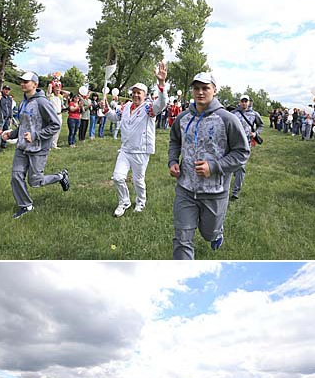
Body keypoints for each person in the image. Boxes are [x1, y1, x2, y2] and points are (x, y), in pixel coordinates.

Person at [168, 72, 250, 260]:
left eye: (205, 88)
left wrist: (214, 167)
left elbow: (242, 153)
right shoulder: (183, 118)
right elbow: (174, 141)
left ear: (214, 90)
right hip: (185, 189)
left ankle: (216, 233)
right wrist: (173, 161)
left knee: (209, 233)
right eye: (196, 88)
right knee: (182, 238)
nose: (200, 92)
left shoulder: (228, 119)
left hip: (215, 192)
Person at [103, 61, 168, 217]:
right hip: (125, 149)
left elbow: (163, 103)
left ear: (145, 95)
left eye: (139, 92)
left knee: (138, 180)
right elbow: (114, 117)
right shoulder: (125, 107)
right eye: (134, 92)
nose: (136, 95)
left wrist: (161, 83)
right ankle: (124, 201)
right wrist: (106, 110)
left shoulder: (149, 108)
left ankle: (141, 202)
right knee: (118, 177)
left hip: (141, 150)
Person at [2, 72, 70, 219]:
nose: (22, 84)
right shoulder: (23, 102)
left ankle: (60, 176)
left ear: (35, 84)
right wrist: (12, 134)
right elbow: (25, 126)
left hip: (38, 148)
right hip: (22, 147)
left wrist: (35, 136)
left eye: (26, 81)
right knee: (16, 176)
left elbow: (55, 125)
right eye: (21, 81)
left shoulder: (42, 102)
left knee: (35, 181)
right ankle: (26, 205)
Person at [230, 95, 263, 200]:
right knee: (230, 166)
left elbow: (260, 125)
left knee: (241, 167)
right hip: (232, 143)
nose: (244, 103)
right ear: (240, 102)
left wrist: (255, 133)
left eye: (246, 101)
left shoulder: (254, 114)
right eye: (242, 101)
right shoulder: (233, 113)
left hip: (246, 144)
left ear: (249, 102)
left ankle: (235, 192)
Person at [47, 83, 67, 149]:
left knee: (58, 130)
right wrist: (51, 85)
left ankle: (54, 144)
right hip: (53, 115)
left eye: (59, 90)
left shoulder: (60, 97)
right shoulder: (51, 96)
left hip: (59, 114)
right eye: (56, 90)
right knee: (51, 130)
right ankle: (48, 145)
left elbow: (68, 93)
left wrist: (61, 90)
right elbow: (48, 93)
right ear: (54, 90)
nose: (58, 91)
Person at [0, 85, 13, 150]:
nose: (7, 91)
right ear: (3, 89)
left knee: (6, 131)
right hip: (2, 117)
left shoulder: (9, 98)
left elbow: (10, 108)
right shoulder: (0, 97)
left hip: (8, 118)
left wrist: (11, 117)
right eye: (6, 89)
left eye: (8, 89)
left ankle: (3, 144)